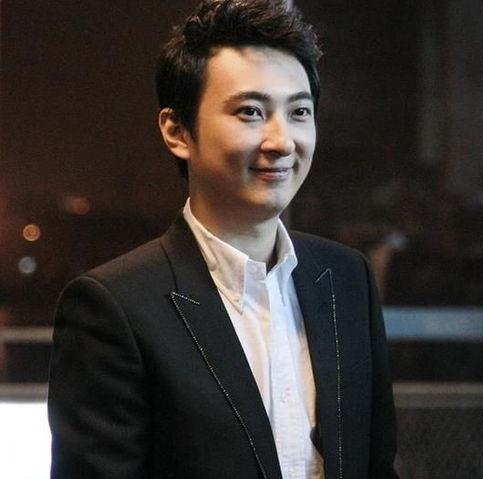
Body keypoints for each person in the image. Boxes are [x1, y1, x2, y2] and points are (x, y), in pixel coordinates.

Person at [48, 1, 398, 478]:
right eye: (251, 112)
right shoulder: (114, 307)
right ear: (177, 131)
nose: (282, 141)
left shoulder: (346, 277)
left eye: (299, 111)